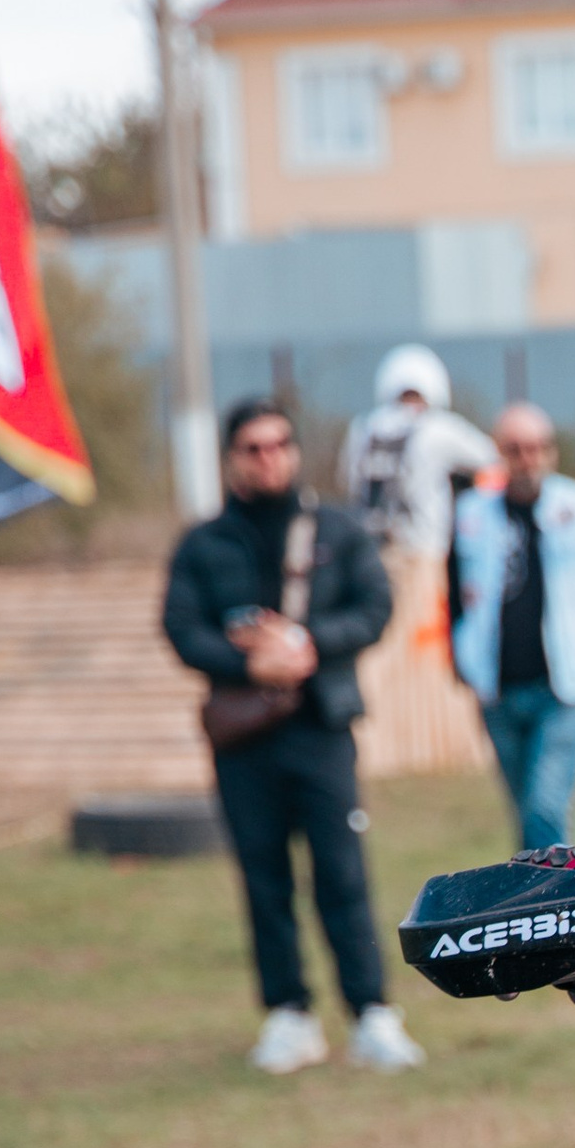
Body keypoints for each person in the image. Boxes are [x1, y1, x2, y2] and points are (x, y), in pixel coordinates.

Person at [163, 397, 424, 1075]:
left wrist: (307, 643)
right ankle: (289, 1015)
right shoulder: (204, 544)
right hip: (245, 739)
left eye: (279, 444)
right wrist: (248, 663)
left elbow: (375, 606)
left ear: (296, 450)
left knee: (343, 871)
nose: (268, 458)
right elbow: (181, 627)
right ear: (232, 458)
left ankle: (371, 1013)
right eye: (253, 448)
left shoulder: (337, 530)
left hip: (322, 727)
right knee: (262, 876)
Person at [450, 401, 575, 852]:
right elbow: (454, 594)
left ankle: (552, 889)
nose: (528, 460)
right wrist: (459, 659)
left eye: (538, 448)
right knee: (524, 807)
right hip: (497, 687)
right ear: (499, 453)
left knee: (545, 805)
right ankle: (537, 889)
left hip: (565, 685)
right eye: (516, 449)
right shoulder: (471, 514)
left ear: (552, 451)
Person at [340, 346, 498, 569]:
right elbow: (491, 458)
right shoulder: (437, 427)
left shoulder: (362, 429)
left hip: (369, 552)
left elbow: (348, 484)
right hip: (422, 552)